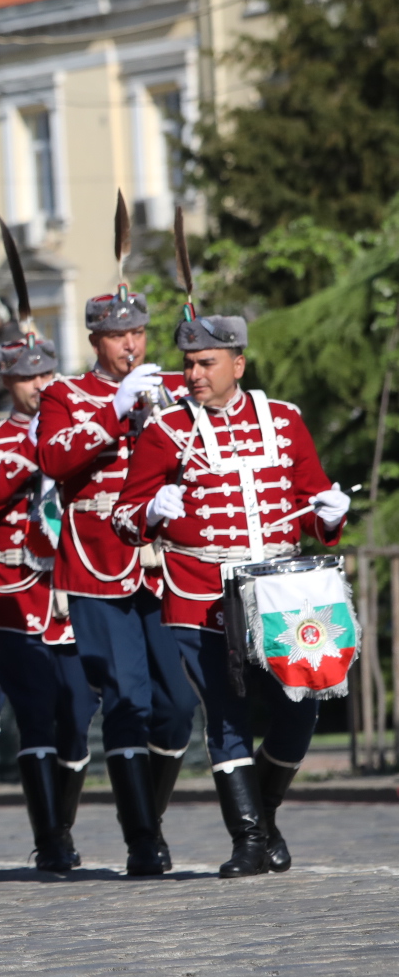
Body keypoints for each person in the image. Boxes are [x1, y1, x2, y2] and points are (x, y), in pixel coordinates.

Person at [113, 311, 348, 876]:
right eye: (189, 363)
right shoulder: (166, 430)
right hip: (199, 592)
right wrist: (150, 510)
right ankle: (247, 840)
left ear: (237, 364)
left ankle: (263, 812)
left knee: (302, 709)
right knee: (226, 711)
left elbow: (315, 502)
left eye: (206, 363)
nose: (193, 374)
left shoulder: (285, 421)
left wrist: (333, 513)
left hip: (282, 593)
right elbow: (123, 517)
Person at [35, 289, 195, 875]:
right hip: (98, 556)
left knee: (177, 707)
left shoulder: (175, 386)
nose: (131, 344)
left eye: (139, 333)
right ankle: (142, 839)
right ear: (95, 340)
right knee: (127, 698)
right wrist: (113, 412)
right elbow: (52, 460)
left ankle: (146, 816)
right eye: (116, 335)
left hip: (164, 558)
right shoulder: (65, 394)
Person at [0, 337, 92, 871]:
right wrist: (32, 452)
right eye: (25, 378)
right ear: (5, 383)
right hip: (14, 591)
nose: (39, 386)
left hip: (73, 586)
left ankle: (63, 820)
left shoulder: (79, 429)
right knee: (36, 714)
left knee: (78, 718)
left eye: (46, 375)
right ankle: (51, 838)